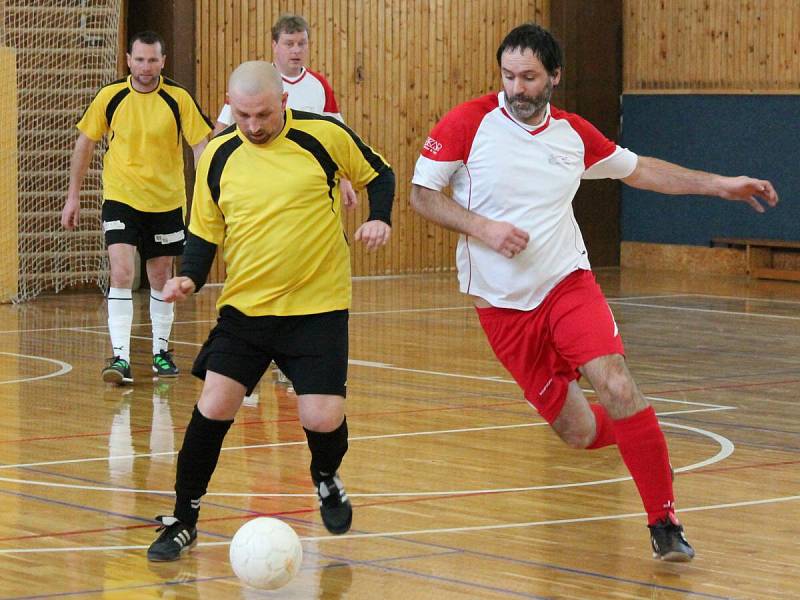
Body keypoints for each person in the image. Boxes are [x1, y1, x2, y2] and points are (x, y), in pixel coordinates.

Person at [410, 23, 778, 562]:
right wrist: (481, 228)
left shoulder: (573, 135)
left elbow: (642, 171)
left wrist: (719, 184)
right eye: (508, 76)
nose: (517, 88)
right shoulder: (469, 123)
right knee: (578, 432)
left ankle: (664, 520)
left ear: (554, 77)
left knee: (617, 383)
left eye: (530, 77)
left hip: (567, 284)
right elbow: (423, 194)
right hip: (503, 310)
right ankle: (641, 436)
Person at [146, 61, 394, 561]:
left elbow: (380, 173)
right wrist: (190, 276)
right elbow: (205, 229)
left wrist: (379, 219)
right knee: (214, 405)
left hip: (318, 306)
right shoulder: (217, 154)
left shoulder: (324, 135)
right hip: (247, 309)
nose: (254, 126)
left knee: (322, 417)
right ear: (230, 107)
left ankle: (325, 477)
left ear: (283, 100)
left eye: (262, 114)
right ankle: (183, 519)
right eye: (242, 116)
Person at [61, 30, 213, 385]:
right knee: (122, 273)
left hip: (166, 201)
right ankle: (120, 358)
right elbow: (85, 144)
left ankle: (161, 352)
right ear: (128, 60)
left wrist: (208, 197)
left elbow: (200, 147)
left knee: (161, 278)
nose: (146, 67)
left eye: (153, 60)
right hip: (121, 197)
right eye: (139, 60)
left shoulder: (178, 98)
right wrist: (73, 195)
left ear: (163, 61)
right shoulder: (111, 97)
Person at [215, 14, 357, 385]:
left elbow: (338, 139)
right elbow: (220, 136)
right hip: (253, 196)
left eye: (302, 43)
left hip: (303, 193)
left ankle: (290, 354)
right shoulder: (254, 84)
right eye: (290, 43)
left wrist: (343, 181)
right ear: (275, 46)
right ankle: (250, 352)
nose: (297, 50)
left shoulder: (319, 87)